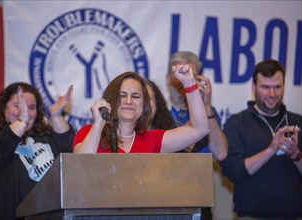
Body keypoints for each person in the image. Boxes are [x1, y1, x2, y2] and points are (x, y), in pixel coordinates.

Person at [0, 82, 75, 219]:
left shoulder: (44, 138)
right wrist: (21, 121)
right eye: (18, 106)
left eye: (31, 107)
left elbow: (70, 156)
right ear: (3, 108)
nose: (25, 111)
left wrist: (56, 116)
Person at [220, 59, 302, 219]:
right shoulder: (237, 124)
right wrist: (271, 150)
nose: (272, 94)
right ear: (253, 87)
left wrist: (296, 155)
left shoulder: (297, 122)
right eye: (265, 87)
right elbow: (233, 172)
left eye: (277, 87)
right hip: (251, 216)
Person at [73, 68, 209, 154]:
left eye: (136, 96)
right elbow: (80, 166)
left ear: (145, 106)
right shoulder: (88, 133)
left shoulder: (152, 139)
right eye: (122, 95)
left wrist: (190, 84)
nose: (129, 101)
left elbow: (200, 129)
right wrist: (98, 125)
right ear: (110, 100)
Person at [166, 51, 227, 160]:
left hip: (198, 173)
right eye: (178, 74)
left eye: (188, 75)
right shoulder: (157, 109)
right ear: (168, 79)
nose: (182, 80)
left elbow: (220, 154)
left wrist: (206, 107)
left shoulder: (207, 112)